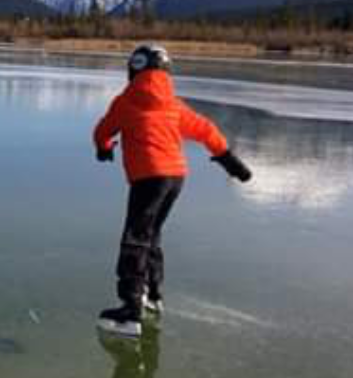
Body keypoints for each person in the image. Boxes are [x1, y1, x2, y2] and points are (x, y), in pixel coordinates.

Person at [93, 44, 252, 337]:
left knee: (135, 238)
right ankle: (153, 295)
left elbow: (103, 130)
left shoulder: (126, 102)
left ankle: (130, 309)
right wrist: (230, 161)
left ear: (134, 69)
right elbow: (205, 129)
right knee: (152, 233)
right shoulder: (173, 104)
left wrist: (103, 149)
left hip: (148, 177)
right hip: (175, 176)